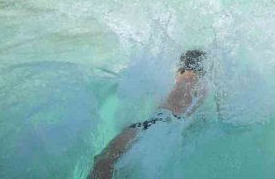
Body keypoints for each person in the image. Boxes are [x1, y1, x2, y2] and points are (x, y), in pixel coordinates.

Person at [89, 50, 208, 179]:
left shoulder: (174, 78)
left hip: (150, 122)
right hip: (169, 125)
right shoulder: (204, 86)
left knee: (106, 158)